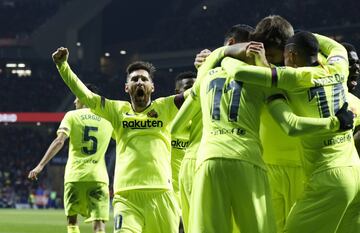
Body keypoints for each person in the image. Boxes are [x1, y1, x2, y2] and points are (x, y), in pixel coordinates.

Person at [221, 31, 360, 233]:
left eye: (285, 57)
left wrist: (223, 55)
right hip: (355, 171)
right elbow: (334, 46)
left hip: (329, 179)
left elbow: (240, 73)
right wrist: (300, 35)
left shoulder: (295, 78)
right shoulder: (339, 67)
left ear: (293, 56)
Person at [52, 49, 187, 233]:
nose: (139, 81)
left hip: (161, 193)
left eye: (144, 79)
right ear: (126, 87)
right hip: (126, 197)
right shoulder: (117, 111)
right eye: (134, 79)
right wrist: (62, 66)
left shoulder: (165, 106)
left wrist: (208, 66)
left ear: (152, 87)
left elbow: (195, 93)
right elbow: (86, 96)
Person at [28, 84, 113, 233]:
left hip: (75, 177)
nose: (74, 102)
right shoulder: (107, 119)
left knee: (72, 223)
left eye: (76, 98)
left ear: (84, 97)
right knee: (99, 226)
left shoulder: (72, 116)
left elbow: (59, 141)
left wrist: (40, 165)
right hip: (98, 178)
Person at [342, 42, 360, 154]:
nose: (357, 67)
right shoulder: (320, 98)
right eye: (350, 62)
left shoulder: (358, 103)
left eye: (358, 63)